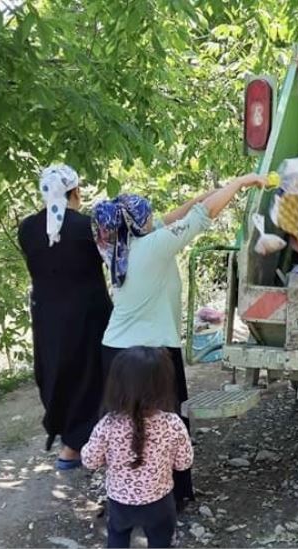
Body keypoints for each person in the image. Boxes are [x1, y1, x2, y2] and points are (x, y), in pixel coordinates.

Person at [92, 172, 265, 508]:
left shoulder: (119, 245)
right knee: (165, 424)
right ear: (139, 225)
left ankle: (124, 494)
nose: (156, 219)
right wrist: (241, 182)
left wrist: (211, 190)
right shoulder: (153, 247)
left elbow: (175, 215)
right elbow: (201, 216)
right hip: (151, 353)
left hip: (115, 352)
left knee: (122, 425)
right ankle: (170, 495)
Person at [18, 164, 113, 470]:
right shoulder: (87, 227)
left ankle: (69, 443)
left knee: (58, 374)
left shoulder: (28, 228)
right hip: (89, 315)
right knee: (93, 375)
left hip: (47, 317)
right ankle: (82, 445)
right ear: (76, 191)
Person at [81, 346, 193, 548]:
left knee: (117, 534)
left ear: (116, 385)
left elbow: (89, 461)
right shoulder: (173, 423)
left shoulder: (108, 424)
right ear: (163, 385)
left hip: (120, 502)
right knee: (161, 540)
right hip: (160, 502)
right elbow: (184, 463)